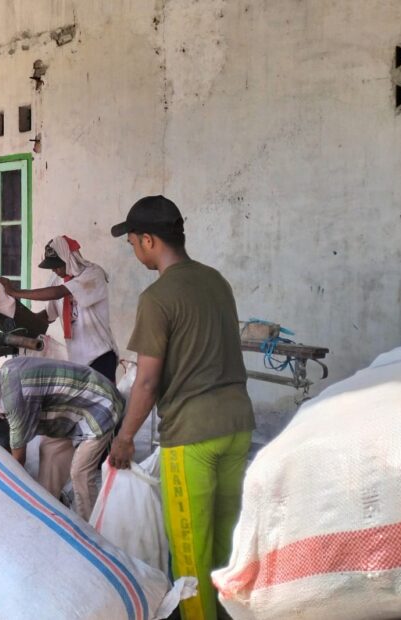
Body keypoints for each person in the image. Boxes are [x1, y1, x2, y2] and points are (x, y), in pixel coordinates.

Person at [107, 195, 255, 620]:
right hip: (237, 426)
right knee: (226, 544)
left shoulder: (157, 297)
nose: (135, 251)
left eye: (133, 243)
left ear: (149, 241)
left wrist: (125, 437)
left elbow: (147, 381)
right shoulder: (216, 281)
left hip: (192, 437)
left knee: (190, 554)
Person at [0, 357, 124, 520]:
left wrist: (4, 488)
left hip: (99, 406)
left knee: (80, 473)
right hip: (75, 408)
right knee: (49, 450)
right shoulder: (7, 370)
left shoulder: (13, 399)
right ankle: (47, 510)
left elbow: (18, 459)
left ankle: (88, 528)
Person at [0, 236, 118, 382]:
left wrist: (15, 292)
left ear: (68, 259)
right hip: (77, 359)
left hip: (100, 354)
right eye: (52, 267)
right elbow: (47, 316)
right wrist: (14, 319)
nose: (54, 270)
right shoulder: (57, 280)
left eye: (57, 265)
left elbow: (58, 293)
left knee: (103, 395)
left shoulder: (93, 273)